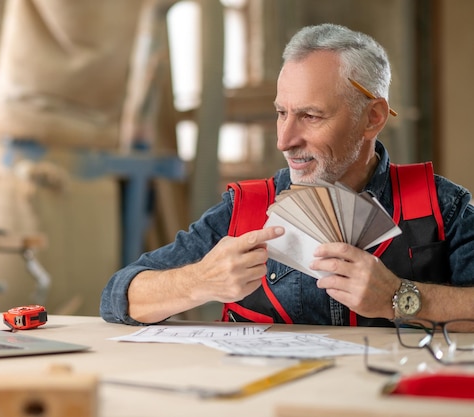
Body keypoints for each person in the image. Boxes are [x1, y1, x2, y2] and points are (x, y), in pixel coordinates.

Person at [100, 23, 474, 329]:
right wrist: (200, 280)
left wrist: (400, 298)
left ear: (373, 117)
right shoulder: (244, 211)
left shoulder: (442, 207)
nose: (285, 140)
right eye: (282, 113)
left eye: (310, 116)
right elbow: (117, 297)